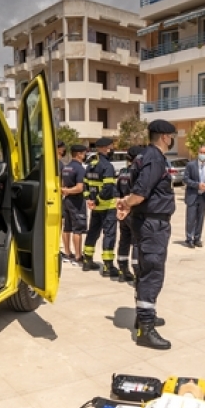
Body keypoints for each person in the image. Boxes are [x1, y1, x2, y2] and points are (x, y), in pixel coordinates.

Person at [116, 119, 176, 350]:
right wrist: (127, 203)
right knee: (151, 273)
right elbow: (140, 193)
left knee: (144, 270)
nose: (172, 139)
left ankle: (143, 316)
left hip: (147, 223)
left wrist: (127, 203)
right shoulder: (154, 158)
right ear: (164, 136)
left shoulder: (143, 156)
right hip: (153, 225)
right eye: (172, 135)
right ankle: (146, 329)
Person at [83, 137, 119, 276]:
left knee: (92, 232)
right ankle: (108, 266)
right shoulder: (107, 166)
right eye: (110, 147)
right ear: (103, 148)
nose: (111, 150)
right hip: (107, 206)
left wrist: (89, 199)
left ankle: (87, 261)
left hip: (94, 207)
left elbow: (85, 183)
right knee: (109, 234)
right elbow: (108, 188)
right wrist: (97, 200)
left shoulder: (91, 164)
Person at [115, 145, 145, 283]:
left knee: (124, 240)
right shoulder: (138, 172)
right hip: (133, 212)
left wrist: (120, 207)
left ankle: (122, 270)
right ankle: (137, 272)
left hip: (123, 212)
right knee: (137, 242)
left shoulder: (122, 172)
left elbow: (117, 192)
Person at [182, 144, 205, 248]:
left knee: (200, 218)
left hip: (203, 196)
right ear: (198, 153)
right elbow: (186, 179)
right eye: (201, 152)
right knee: (191, 219)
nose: (203, 154)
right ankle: (189, 239)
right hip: (192, 195)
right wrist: (197, 185)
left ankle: (197, 238)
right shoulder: (191, 165)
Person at [61, 144, 88, 265]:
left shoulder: (66, 168)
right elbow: (79, 188)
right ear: (79, 154)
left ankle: (67, 253)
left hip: (66, 201)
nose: (85, 155)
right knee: (78, 230)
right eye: (84, 153)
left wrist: (65, 191)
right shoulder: (80, 169)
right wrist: (68, 191)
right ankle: (78, 257)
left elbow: (62, 184)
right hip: (76, 201)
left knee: (67, 227)